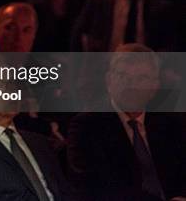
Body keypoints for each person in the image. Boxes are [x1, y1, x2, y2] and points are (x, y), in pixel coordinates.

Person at [67, 43, 186, 200]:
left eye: (141, 78)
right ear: (109, 81)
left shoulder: (170, 123)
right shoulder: (87, 126)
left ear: (155, 86)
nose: (132, 86)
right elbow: (98, 187)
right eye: (123, 76)